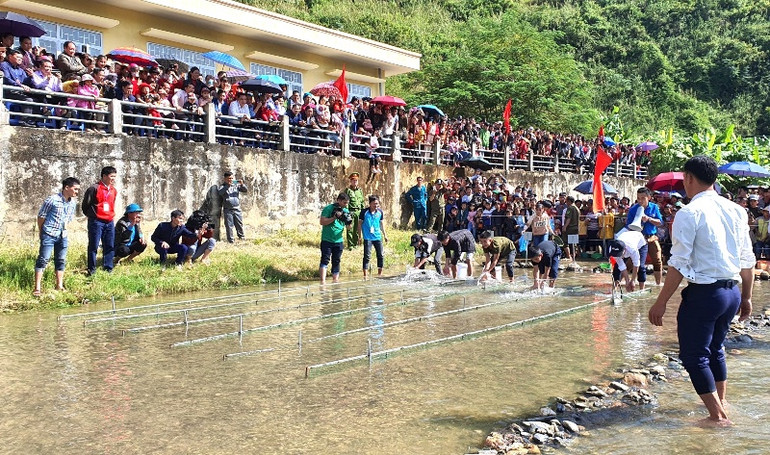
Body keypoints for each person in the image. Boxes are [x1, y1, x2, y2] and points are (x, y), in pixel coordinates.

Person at [648, 155, 754, 426]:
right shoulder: (736, 210)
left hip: (706, 293)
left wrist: (661, 302)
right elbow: (746, 259)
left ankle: (718, 417)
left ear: (689, 178)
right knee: (715, 349)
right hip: (731, 292)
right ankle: (721, 402)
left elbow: (679, 262)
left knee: (694, 355)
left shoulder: (689, 212)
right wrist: (747, 297)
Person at [33, 177, 81, 296]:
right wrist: (42, 231)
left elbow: (68, 219)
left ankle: (59, 285)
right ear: (66, 188)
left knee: (61, 260)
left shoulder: (72, 203)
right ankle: (37, 288)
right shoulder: (52, 200)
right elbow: (41, 216)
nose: (77, 192)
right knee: (44, 259)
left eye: (78, 190)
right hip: (49, 233)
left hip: (63, 235)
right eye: (75, 189)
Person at [81, 166, 118, 276]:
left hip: (109, 221)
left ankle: (108, 268)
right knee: (94, 245)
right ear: (104, 176)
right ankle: (91, 269)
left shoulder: (113, 190)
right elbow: (85, 205)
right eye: (111, 176)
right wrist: (93, 216)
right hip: (97, 221)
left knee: (109, 245)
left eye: (115, 177)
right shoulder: (94, 188)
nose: (113, 179)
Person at [626, 187, 664, 285]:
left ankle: (658, 284)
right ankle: (622, 281)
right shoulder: (633, 209)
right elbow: (628, 225)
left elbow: (660, 222)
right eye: (638, 198)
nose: (640, 200)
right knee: (631, 261)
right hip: (638, 237)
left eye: (643, 198)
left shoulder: (654, 207)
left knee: (657, 260)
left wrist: (649, 219)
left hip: (651, 237)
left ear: (649, 197)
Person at [319, 193, 352, 284]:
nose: (346, 205)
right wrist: (334, 217)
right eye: (344, 202)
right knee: (325, 259)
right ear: (339, 200)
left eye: (347, 203)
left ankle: (335, 282)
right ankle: (322, 282)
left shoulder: (346, 211)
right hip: (327, 239)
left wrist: (348, 221)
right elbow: (322, 222)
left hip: (339, 240)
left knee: (336, 261)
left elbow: (349, 228)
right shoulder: (328, 209)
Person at [358, 195, 388, 278]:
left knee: (380, 255)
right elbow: (359, 224)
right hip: (368, 237)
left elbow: (381, 224)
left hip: (378, 237)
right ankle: (365, 275)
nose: (376, 206)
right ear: (370, 203)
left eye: (377, 204)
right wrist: (359, 236)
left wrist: (385, 235)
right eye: (374, 204)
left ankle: (380, 274)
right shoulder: (364, 212)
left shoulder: (380, 212)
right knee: (367, 256)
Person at [218, 171, 247, 243]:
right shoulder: (222, 186)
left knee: (239, 223)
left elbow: (245, 190)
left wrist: (242, 184)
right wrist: (227, 186)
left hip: (237, 208)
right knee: (229, 225)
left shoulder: (236, 185)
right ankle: (231, 240)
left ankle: (241, 237)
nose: (230, 180)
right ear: (225, 179)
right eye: (229, 178)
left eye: (231, 178)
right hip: (228, 209)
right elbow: (220, 193)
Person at [345, 172, 365, 249]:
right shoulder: (347, 191)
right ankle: (350, 245)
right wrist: (347, 213)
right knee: (350, 228)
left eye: (356, 180)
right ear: (350, 181)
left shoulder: (360, 191)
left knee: (357, 228)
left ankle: (355, 243)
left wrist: (363, 212)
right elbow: (345, 202)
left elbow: (362, 202)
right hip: (351, 211)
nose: (355, 182)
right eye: (353, 180)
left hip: (359, 211)